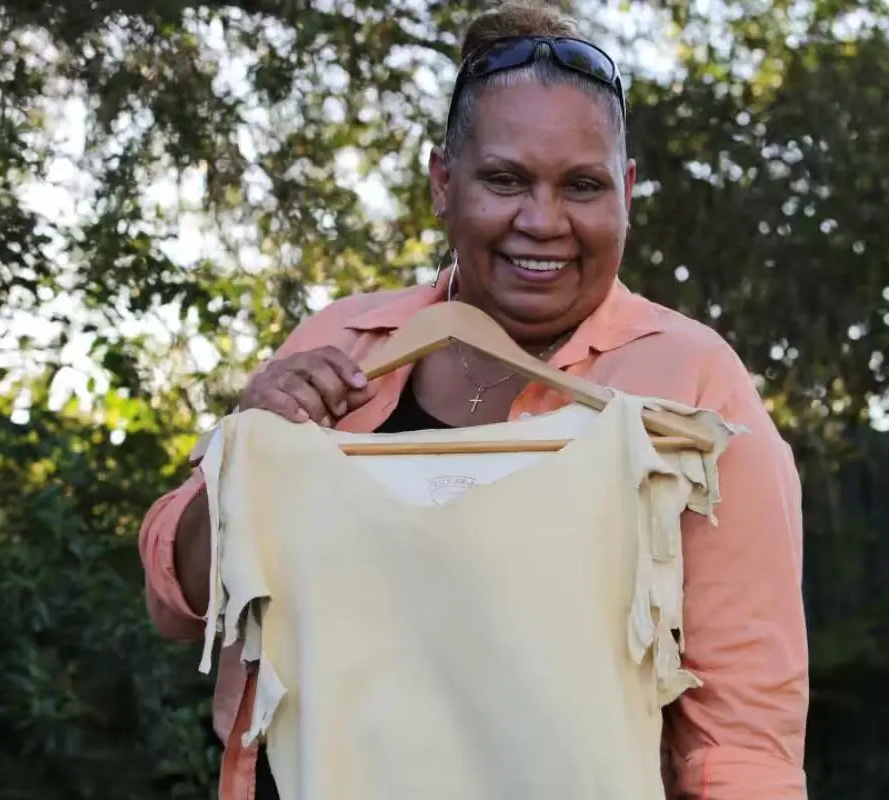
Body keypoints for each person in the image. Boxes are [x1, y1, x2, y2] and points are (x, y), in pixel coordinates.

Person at [137, 2, 808, 798]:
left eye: (583, 185)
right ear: (443, 183)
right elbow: (176, 601)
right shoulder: (341, 341)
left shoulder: (692, 384)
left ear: (625, 192)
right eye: (504, 180)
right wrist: (248, 445)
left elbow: (743, 737)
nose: (543, 222)